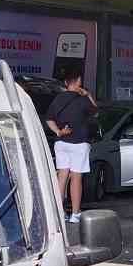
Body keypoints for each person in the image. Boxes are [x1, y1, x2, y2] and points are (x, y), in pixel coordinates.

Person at [45, 70, 97, 223]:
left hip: (61, 143)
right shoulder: (82, 100)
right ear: (79, 81)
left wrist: (58, 132)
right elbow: (95, 112)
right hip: (79, 143)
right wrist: (87, 94)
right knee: (76, 177)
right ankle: (75, 214)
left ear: (66, 83)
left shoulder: (58, 99)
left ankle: (59, 214)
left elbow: (49, 119)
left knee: (62, 176)